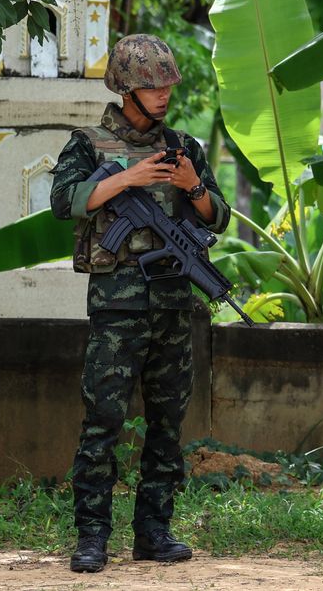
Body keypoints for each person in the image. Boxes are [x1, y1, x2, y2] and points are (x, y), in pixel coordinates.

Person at [49, 33, 230, 574]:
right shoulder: (88, 144)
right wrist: (127, 179)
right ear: (126, 89)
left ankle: (154, 532)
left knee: (167, 424)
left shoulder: (184, 148)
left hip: (173, 306)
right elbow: (64, 201)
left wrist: (193, 186)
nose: (163, 95)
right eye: (152, 87)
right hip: (117, 308)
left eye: (168, 85)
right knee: (103, 420)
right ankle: (92, 537)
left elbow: (218, 217)